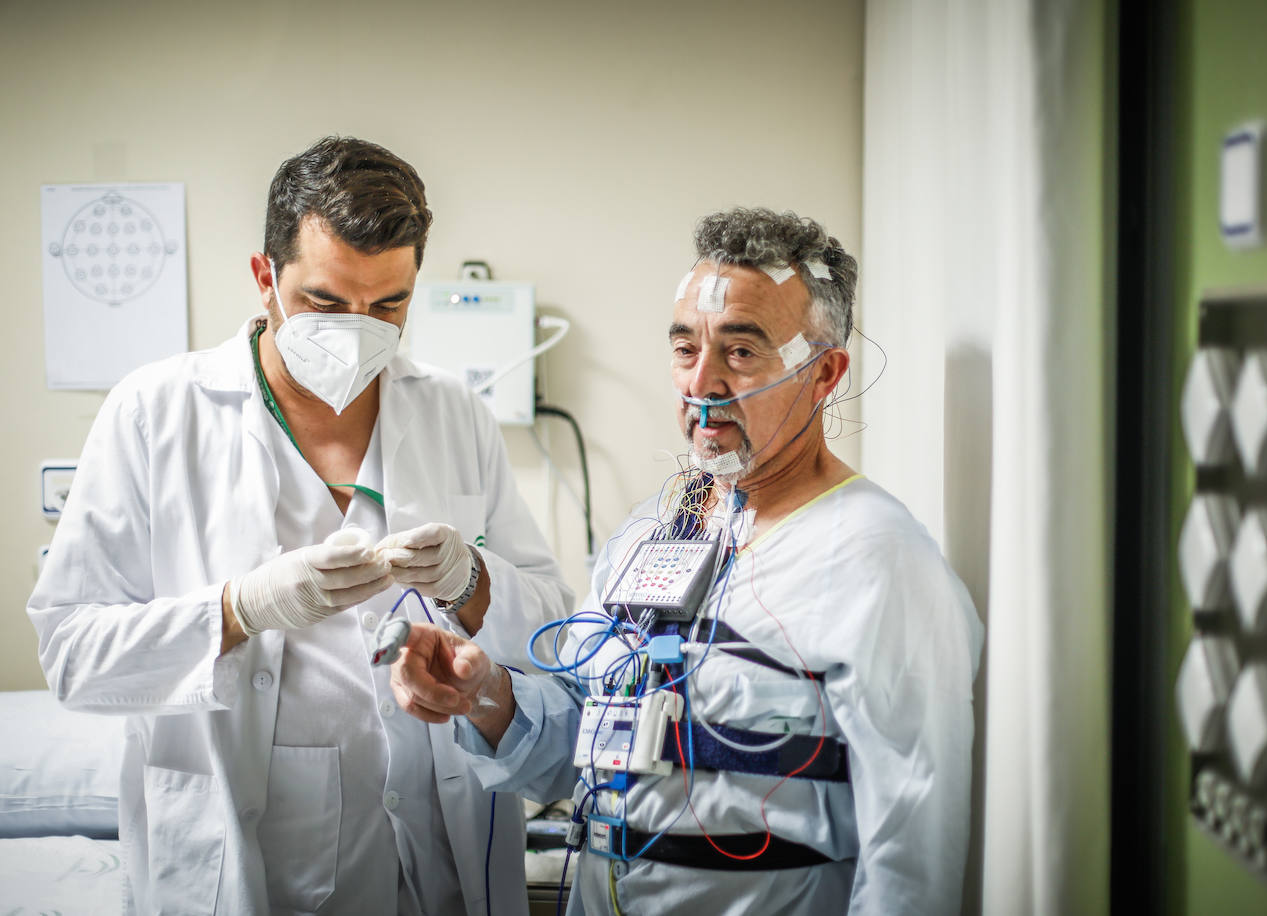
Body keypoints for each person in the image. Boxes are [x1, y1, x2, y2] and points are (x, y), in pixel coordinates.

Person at [28, 136, 573, 915]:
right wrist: (239, 610)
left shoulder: (453, 411)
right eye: (325, 301)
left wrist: (471, 582)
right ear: (265, 278)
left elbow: (556, 631)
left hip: (431, 854)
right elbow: (72, 654)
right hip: (249, 861)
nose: (360, 328)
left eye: (389, 305)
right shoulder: (157, 412)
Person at [390, 207, 985, 914]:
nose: (701, 383)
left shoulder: (879, 561)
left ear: (825, 374)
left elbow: (909, 863)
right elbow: (574, 749)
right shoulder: (654, 531)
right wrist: (484, 693)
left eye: (740, 353)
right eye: (684, 349)